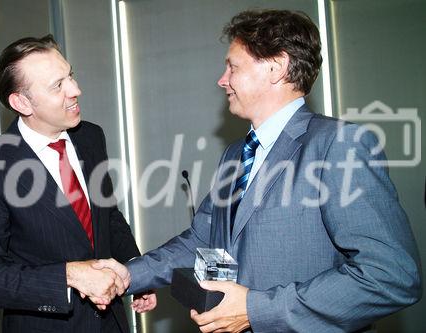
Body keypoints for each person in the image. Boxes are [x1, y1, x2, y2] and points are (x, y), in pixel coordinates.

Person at [124, 9, 422, 332]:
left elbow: (391, 275)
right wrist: (126, 275)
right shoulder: (235, 155)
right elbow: (202, 239)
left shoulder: (338, 145)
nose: (222, 80)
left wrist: (255, 310)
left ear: (276, 68)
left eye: (232, 67)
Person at [0, 35, 153, 333]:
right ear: (22, 102)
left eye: (70, 75)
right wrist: (68, 276)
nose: (76, 90)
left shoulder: (90, 137)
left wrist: (137, 272)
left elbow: (108, 216)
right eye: (57, 85)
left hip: (111, 323)